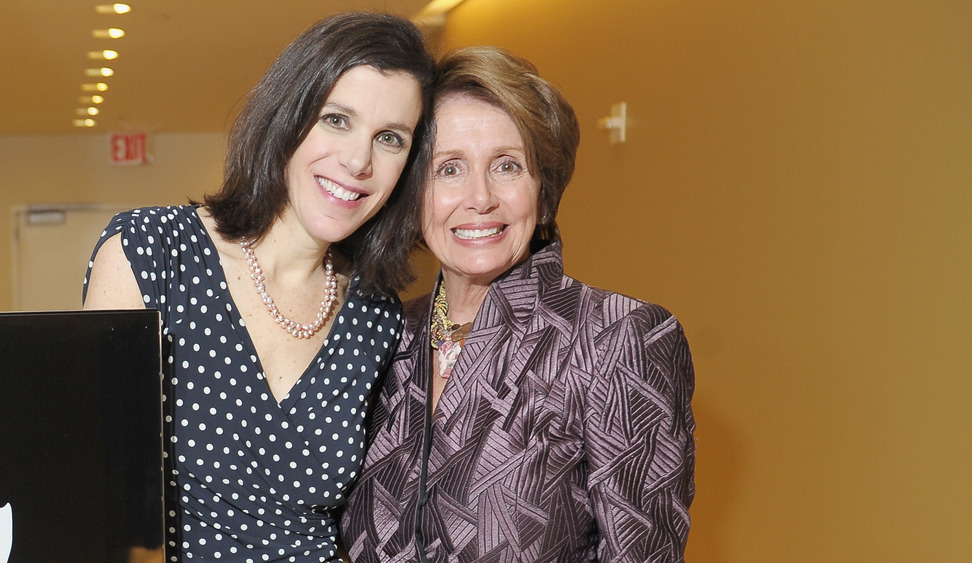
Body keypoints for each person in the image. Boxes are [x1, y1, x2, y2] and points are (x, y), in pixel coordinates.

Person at [82, 12, 434, 562]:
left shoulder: (376, 315)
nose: (359, 161)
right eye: (337, 120)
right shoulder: (150, 251)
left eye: (390, 138)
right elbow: (93, 496)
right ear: (288, 117)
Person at [340, 46, 696, 562]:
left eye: (507, 166)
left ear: (543, 192)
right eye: (448, 169)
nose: (480, 197)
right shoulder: (382, 334)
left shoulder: (617, 336)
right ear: (411, 195)